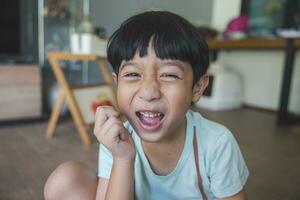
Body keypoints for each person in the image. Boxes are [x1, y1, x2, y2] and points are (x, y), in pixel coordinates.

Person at [44, 11, 249, 200]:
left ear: (197, 88)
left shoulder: (217, 144)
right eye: (133, 74)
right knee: (65, 180)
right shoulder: (117, 139)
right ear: (117, 83)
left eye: (169, 75)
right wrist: (123, 158)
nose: (149, 91)